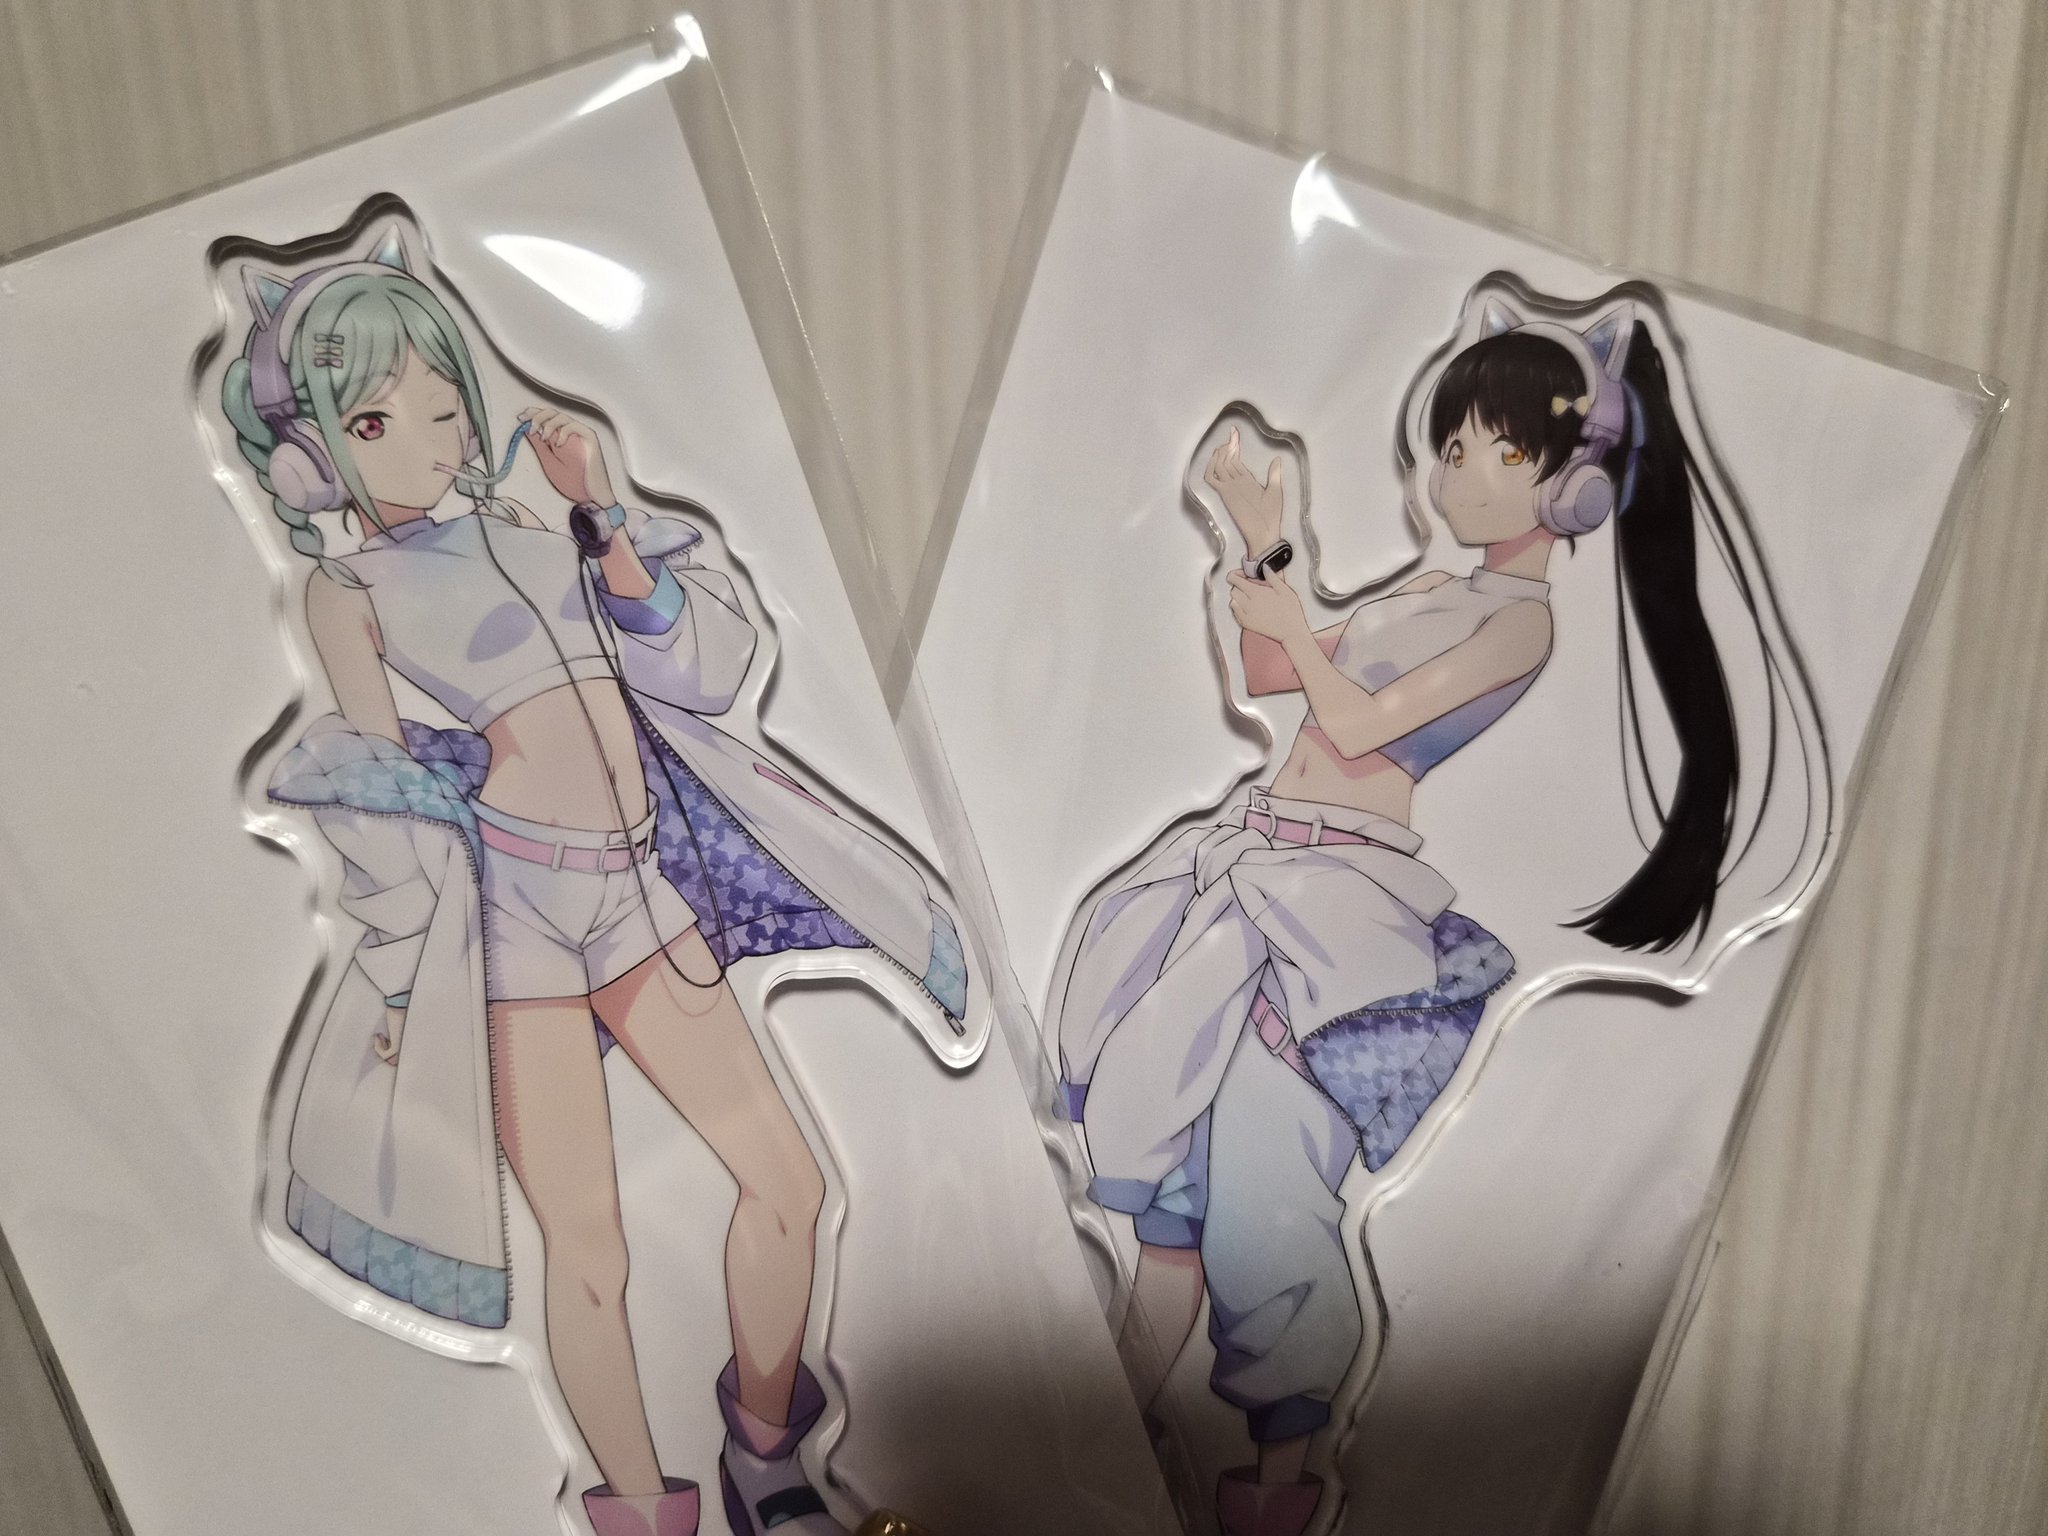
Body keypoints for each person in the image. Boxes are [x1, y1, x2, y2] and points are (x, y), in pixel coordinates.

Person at [227, 223, 967, 1536]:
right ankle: (636, 1506)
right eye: (383, 417)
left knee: (789, 1185)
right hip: (515, 922)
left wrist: (604, 516)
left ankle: (765, 1455)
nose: (433, 433)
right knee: (589, 1248)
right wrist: (399, 953)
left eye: (446, 401)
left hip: (638, 894)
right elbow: (382, 787)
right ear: (315, 454)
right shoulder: (346, 590)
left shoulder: (531, 524)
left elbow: (692, 673)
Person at [1053, 287, 1820, 1536]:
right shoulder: (1424, 592)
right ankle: (1074, 1456)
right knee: (1170, 1190)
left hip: (1337, 911)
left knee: (1266, 1200)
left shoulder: (1519, 626)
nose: (1451, 471)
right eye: (1448, 446)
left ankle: (1277, 1494)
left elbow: (1354, 724)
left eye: (1487, 452)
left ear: (1569, 489)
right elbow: (1268, 675)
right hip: (1249, 863)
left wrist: (1295, 612)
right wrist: (1262, 545)